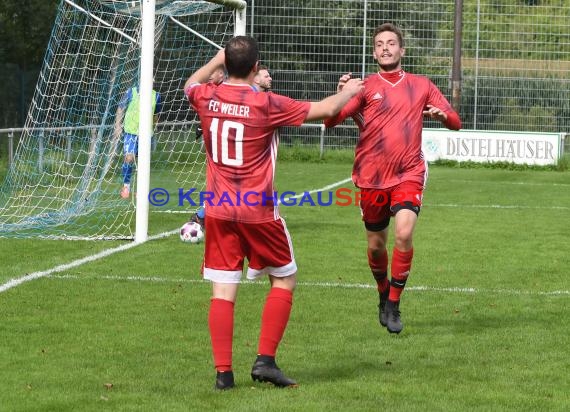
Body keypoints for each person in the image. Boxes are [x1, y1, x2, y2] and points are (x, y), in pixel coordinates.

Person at [184, 36, 363, 390]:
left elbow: (190, 83)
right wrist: (352, 91)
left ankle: (223, 375)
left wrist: (216, 59)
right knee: (284, 278)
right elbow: (325, 110)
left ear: (226, 66)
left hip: (217, 210)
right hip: (258, 212)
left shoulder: (207, 96)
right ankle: (265, 361)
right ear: (255, 68)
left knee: (222, 291)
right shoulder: (265, 104)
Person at [324, 23, 461, 334]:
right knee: (375, 246)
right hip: (371, 176)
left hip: (408, 172)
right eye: (379, 44)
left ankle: (395, 303)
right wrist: (342, 94)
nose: (385, 48)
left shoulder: (421, 84)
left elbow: (455, 121)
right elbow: (331, 122)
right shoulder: (364, 87)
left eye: (391, 43)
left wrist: (443, 116)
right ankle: (383, 290)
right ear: (374, 52)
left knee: (403, 233)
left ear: (402, 50)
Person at [114, 85, 162, 199]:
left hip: (146, 133)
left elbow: (156, 114)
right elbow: (120, 108)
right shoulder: (131, 91)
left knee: (143, 161)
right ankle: (126, 186)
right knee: (129, 158)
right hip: (131, 131)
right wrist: (117, 125)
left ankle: (141, 189)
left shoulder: (156, 95)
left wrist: (154, 126)